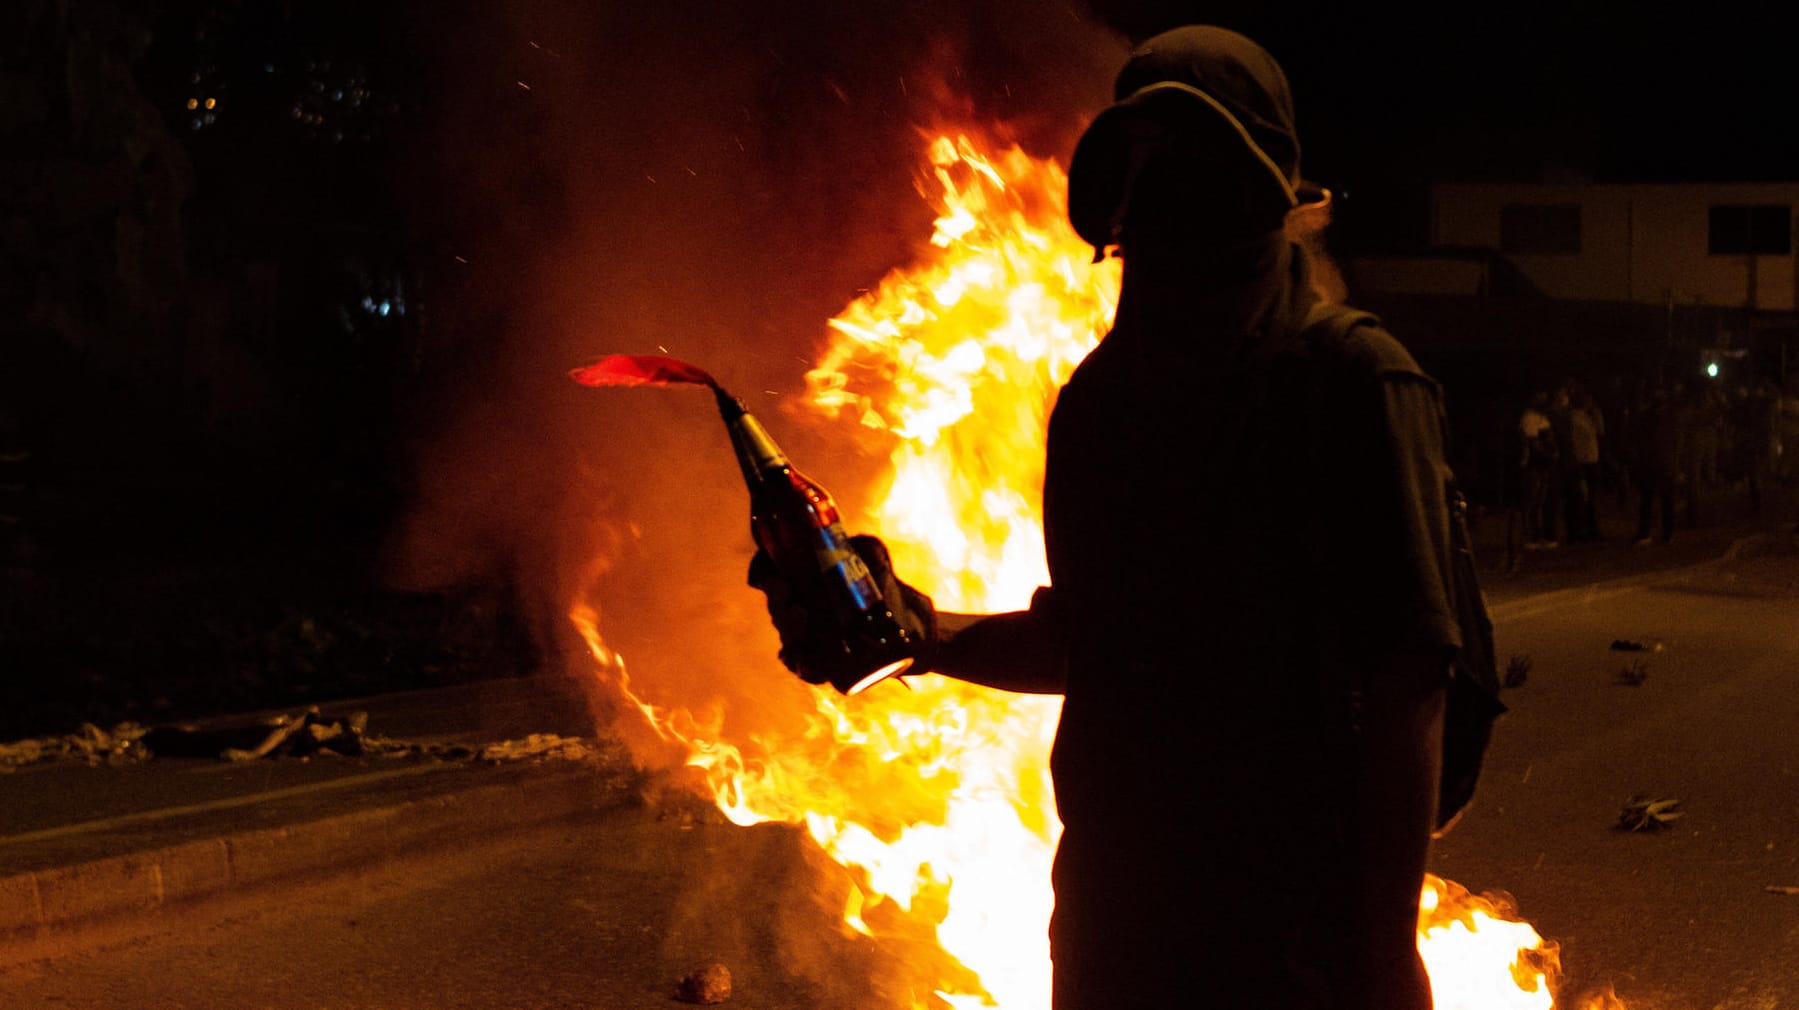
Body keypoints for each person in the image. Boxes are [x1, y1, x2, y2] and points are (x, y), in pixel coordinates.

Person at [754, 26, 1460, 1010]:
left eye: (1200, 171)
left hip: (1295, 934)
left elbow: (1408, 680)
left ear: (1261, 202)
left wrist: (1382, 947)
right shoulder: (1099, 407)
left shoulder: (1349, 380)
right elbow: (1095, 643)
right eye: (1146, 172)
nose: (1166, 205)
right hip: (1116, 926)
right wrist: (920, 631)